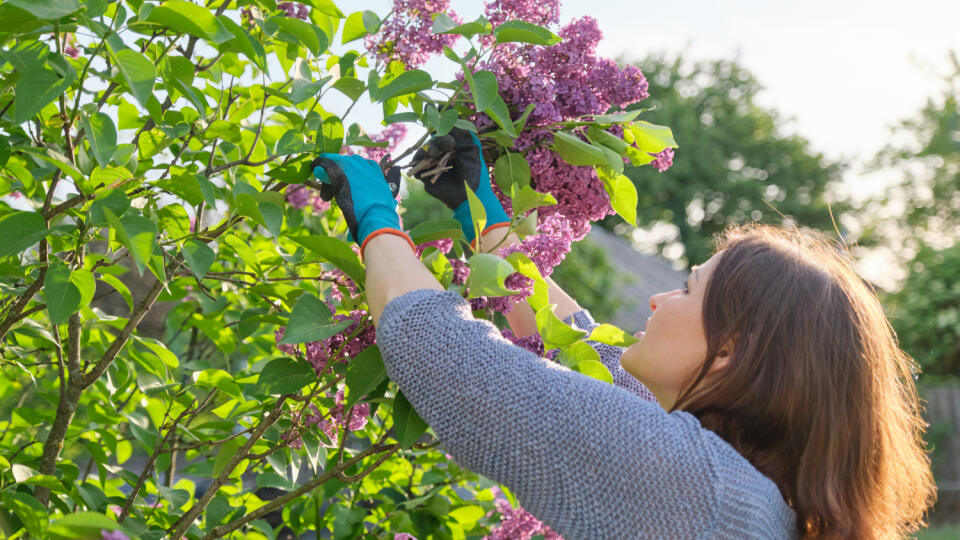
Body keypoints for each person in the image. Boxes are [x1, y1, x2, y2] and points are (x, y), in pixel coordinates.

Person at [309, 129, 936, 539]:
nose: (661, 299)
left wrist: (374, 215)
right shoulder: (747, 496)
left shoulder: (697, 489)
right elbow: (584, 353)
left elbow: (447, 354)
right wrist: (485, 220)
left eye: (688, 290)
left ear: (730, 351)